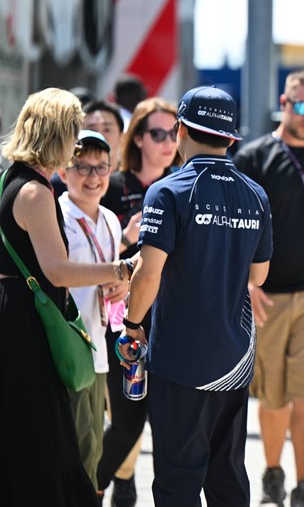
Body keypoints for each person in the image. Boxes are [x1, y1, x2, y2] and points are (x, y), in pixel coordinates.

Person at [121, 85, 272, 505]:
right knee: (227, 476)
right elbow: (259, 275)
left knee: (177, 480)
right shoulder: (254, 194)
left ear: (182, 128)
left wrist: (132, 325)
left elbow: (148, 275)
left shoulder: (168, 190)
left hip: (180, 360)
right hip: (235, 358)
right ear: (230, 137)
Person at [0, 88, 132, 506]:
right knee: (44, 445)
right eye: (74, 131)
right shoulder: (36, 192)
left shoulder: (13, 178)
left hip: (18, 315)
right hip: (26, 325)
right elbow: (57, 269)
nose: (78, 141)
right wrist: (122, 269)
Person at [233, 69, 304, 506]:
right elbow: (234, 227)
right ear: (284, 101)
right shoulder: (253, 157)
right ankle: (273, 472)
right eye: (301, 106)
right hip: (267, 296)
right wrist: (245, 281)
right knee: (274, 396)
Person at [96, 97, 181, 503]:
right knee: (127, 421)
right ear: (138, 139)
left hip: (171, 324)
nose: (167, 142)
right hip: (122, 324)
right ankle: (90, 488)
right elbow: (90, 257)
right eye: (157, 134)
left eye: (173, 133)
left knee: (163, 422)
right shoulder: (113, 186)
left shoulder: (184, 184)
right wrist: (129, 239)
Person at [58, 130, 123, 490]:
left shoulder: (111, 220)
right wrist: (118, 271)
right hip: (67, 349)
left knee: (94, 450)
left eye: (101, 167)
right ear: (64, 171)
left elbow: (114, 278)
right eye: (82, 167)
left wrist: (121, 283)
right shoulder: (57, 216)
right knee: (77, 448)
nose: (93, 177)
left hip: (99, 349)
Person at [83, 100, 125, 172]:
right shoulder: (64, 181)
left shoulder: (135, 181)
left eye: (107, 130)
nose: (100, 136)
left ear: (121, 137)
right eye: (92, 130)